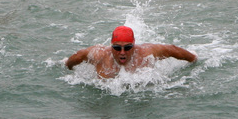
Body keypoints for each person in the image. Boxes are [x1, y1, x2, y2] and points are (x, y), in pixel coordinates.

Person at [65, 26, 197, 78]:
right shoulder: (98, 55)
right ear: (111, 46)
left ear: (134, 46)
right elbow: (76, 58)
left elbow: (171, 49)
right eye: (117, 48)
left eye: (127, 48)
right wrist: (68, 67)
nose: (122, 52)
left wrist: (194, 59)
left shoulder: (146, 53)